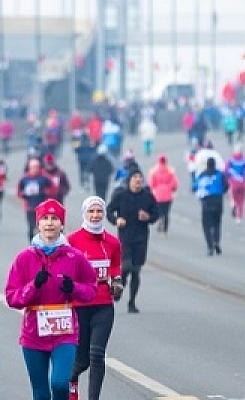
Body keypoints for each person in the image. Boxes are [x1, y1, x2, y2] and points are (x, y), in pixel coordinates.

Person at [4, 200, 98, 400]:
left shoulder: (74, 257)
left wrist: (74, 288)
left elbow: (92, 289)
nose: (49, 223)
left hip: (64, 333)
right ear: (38, 224)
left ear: (62, 224)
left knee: (59, 383)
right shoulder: (24, 258)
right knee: (40, 393)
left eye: (54, 219)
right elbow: (12, 297)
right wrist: (33, 286)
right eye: (45, 219)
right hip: (33, 334)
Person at [66, 197, 125, 400]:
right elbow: (66, 270)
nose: (95, 215)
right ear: (84, 214)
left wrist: (117, 282)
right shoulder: (72, 241)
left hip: (103, 305)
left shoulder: (112, 242)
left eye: (99, 211)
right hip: (80, 305)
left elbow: (115, 267)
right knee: (82, 360)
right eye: (91, 211)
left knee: (97, 355)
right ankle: (70, 381)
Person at [107, 171, 160, 313]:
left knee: (136, 271)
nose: (138, 180)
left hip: (141, 238)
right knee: (125, 267)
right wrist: (116, 220)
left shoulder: (147, 196)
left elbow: (156, 214)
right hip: (125, 237)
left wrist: (148, 217)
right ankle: (118, 289)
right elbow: (109, 210)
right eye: (135, 178)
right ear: (129, 180)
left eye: (140, 178)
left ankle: (132, 303)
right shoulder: (121, 195)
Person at [193, 158, 229, 256]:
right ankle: (216, 241)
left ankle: (210, 246)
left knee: (206, 225)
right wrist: (221, 192)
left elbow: (195, 187)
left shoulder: (202, 175)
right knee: (217, 223)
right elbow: (226, 186)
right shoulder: (220, 174)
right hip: (218, 200)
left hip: (206, 201)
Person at [18, 159, 55, 239]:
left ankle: (42, 244)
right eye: (33, 167)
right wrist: (24, 194)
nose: (35, 169)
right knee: (31, 226)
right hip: (30, 207)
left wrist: (44, 193)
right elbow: (19, 192)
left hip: (42, 207)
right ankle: (32, 244)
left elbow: (52, 189)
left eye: (36, 167)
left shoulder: (44, 177)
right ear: (29, 168)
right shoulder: (24, 179)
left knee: (41, 227)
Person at [147, 155, 178, 235]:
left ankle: (160, 220)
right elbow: (174, 183)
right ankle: (165, 230)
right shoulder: (170, 170)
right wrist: (170, 187)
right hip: (168, 194)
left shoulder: (154, 171)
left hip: (158, 194)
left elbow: (151, 184)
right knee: (166, 212)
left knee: (159, 210)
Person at [226, 147, 245, 223]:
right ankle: (239, 218)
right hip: (243, 184)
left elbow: (226, 171)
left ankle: (233, 204)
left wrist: (230, 176)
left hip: (233, 184)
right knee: (241, 201)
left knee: (233, 198)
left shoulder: (230, 160)